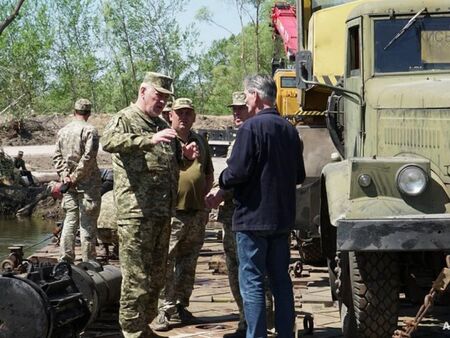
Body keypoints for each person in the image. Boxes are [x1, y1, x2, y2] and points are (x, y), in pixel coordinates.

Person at [101, 72, 199, 338]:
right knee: (136, 278)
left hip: (162, 214)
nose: (162, 103)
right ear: (143, 90)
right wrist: (146, 140)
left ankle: (144, 325)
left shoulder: (158, 125)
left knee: (157, 276)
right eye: (159, 97)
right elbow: (108, 142)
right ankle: (132, 332)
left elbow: (167, 162)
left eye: (166, 98)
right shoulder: (126, 118)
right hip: (136, 214)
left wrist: (184, 156)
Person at [219, 75, 305, 338]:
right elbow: (299, 176)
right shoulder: (290, 130)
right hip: (281, 219)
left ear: (255, 95)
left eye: (246, 96)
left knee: (253, 281)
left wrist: (221, 180)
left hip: (253, 220)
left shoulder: (250, 128)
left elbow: (237, 173)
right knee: (281, 280)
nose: (245, 101)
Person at [154, 98, 214, 331]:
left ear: (194, 117)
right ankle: (164, 310)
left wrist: (204, 201)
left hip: (196, 213)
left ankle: (181, 305)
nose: (184, 117)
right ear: (170, 115)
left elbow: (208, 173)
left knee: (188, 263)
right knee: (166, 263)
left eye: (189, 113)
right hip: (172, 214)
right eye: (180, 113)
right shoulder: (166, 140)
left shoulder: (200, 140)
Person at [204, 91, 254, 337]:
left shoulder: (246, 139)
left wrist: (220, 193)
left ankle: (251, 323)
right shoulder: (247, 137)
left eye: (241, 108)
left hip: (240, 217)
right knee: (241, 270)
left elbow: (237, 178)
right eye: (233, 108)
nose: (236, 113)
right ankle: (251, 321)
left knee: (245, 272)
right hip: (235, 217)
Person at [53, 98, 102, 264]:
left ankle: (65, 258)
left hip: (68, 184)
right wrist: (74, 177)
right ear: (89, 113)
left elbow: (57, 156)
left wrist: (65, 175)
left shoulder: (63, 131)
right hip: (87, 184)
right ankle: (88, 261)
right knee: (87, 222)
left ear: (74, 111)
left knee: (70, 220)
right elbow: (89, 157)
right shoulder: (91, 130)